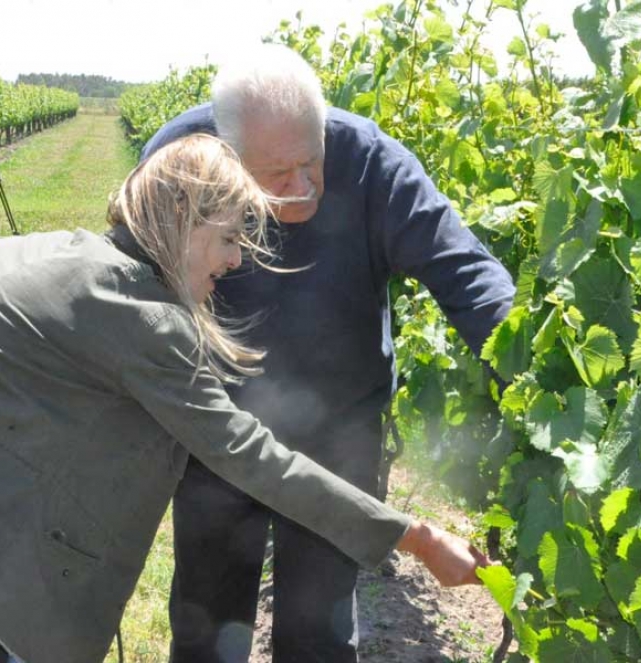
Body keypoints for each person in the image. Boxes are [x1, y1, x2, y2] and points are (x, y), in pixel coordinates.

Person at [0, 134, 488, 663]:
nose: (237, 256)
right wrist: (416, 537)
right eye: (227, 236)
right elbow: (252, 456)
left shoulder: (16, 249)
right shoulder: (142, 318)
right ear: (179, 217)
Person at [141, 45, 515, 662]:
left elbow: (464, 269)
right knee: (208, 620)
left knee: (320, 625)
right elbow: (131, 285)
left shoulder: (371, 162)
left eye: (311, 162)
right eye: (276, 174)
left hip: (341, 425)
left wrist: (520, 365)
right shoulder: (179, 161)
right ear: (227, 155)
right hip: (218, 425)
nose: (303, 185)